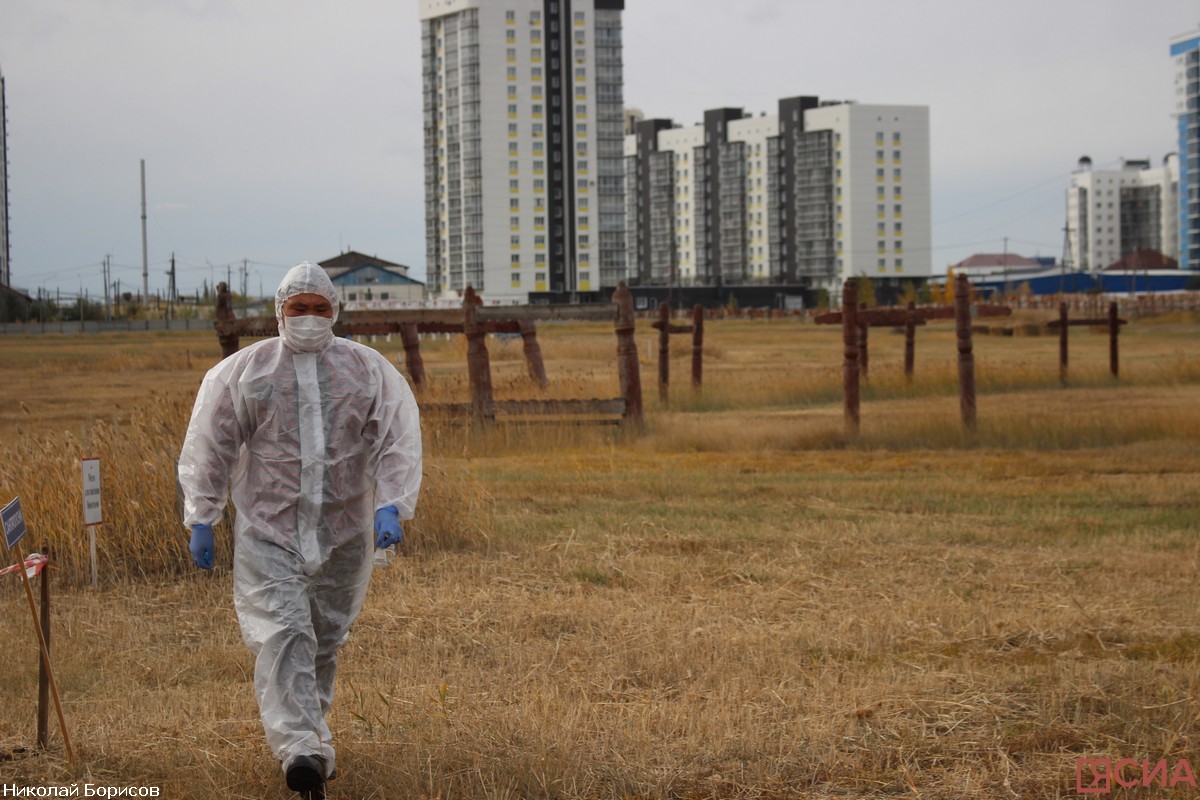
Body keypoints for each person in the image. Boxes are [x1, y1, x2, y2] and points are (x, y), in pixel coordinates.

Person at [177, 262, 422, 799]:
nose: (309, 318)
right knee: (285, 633)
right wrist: (203, 514)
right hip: (270, 529)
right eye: (298, 308)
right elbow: (211, 444)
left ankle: (311, 736)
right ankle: (300, 752)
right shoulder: (246, 371)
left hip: (345, 529)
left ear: (335, 311)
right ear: (279, 311)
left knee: (324, 640)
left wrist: (392, 503)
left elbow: (396, 436)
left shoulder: (367, 369)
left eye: (319, 308)